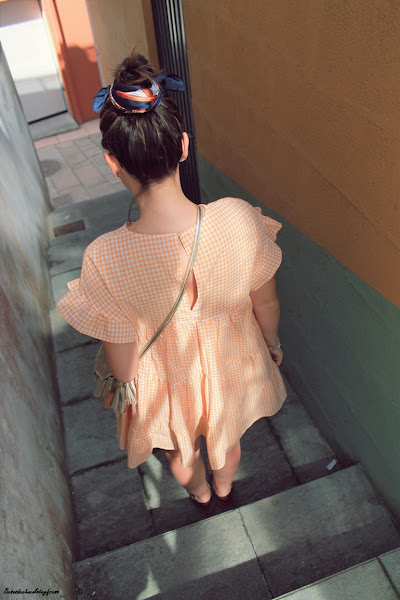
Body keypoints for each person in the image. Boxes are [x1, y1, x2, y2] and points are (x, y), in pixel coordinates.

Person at [57, 51, 286, 513]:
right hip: (231, 366)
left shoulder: (105, 258)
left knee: (181, 453)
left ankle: (201, 496)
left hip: (166, 387)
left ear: (112, 163)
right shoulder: (239, 219)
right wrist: (272, 343)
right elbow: (266, 303)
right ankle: (225, 490)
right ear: (182, 146)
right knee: (227, 439)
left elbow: (124, 371)